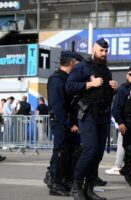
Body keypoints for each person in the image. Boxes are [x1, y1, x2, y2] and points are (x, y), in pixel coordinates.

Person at [66, 38, 118, 200]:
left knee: (97, 153)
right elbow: (69, 87)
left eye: (106, 51)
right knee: (90, 149)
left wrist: (113, 89)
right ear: (93, 50)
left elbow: (105, 95)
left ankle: (89, 188)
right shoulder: (82, 67)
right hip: (88, 114)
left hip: (103, 115)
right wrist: (90, 84)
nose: (104, 53)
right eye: (101, 50)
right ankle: (76, 187)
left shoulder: (106, 70)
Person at [45, 51, 84, 196]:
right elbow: (58, 106)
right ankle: (55, 183)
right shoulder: (57, 79)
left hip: (71, 122)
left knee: (72, 153)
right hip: (62, 122)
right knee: (61, 153)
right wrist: (69, 124)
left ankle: (67, 180)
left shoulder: (69, 79)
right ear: (72, 63)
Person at [111, 65, 131, 187]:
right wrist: (120, 123)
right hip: (127, 124)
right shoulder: (122, 89)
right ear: (127, 75)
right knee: (129, 151)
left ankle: (126, 170)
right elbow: (116, 109)